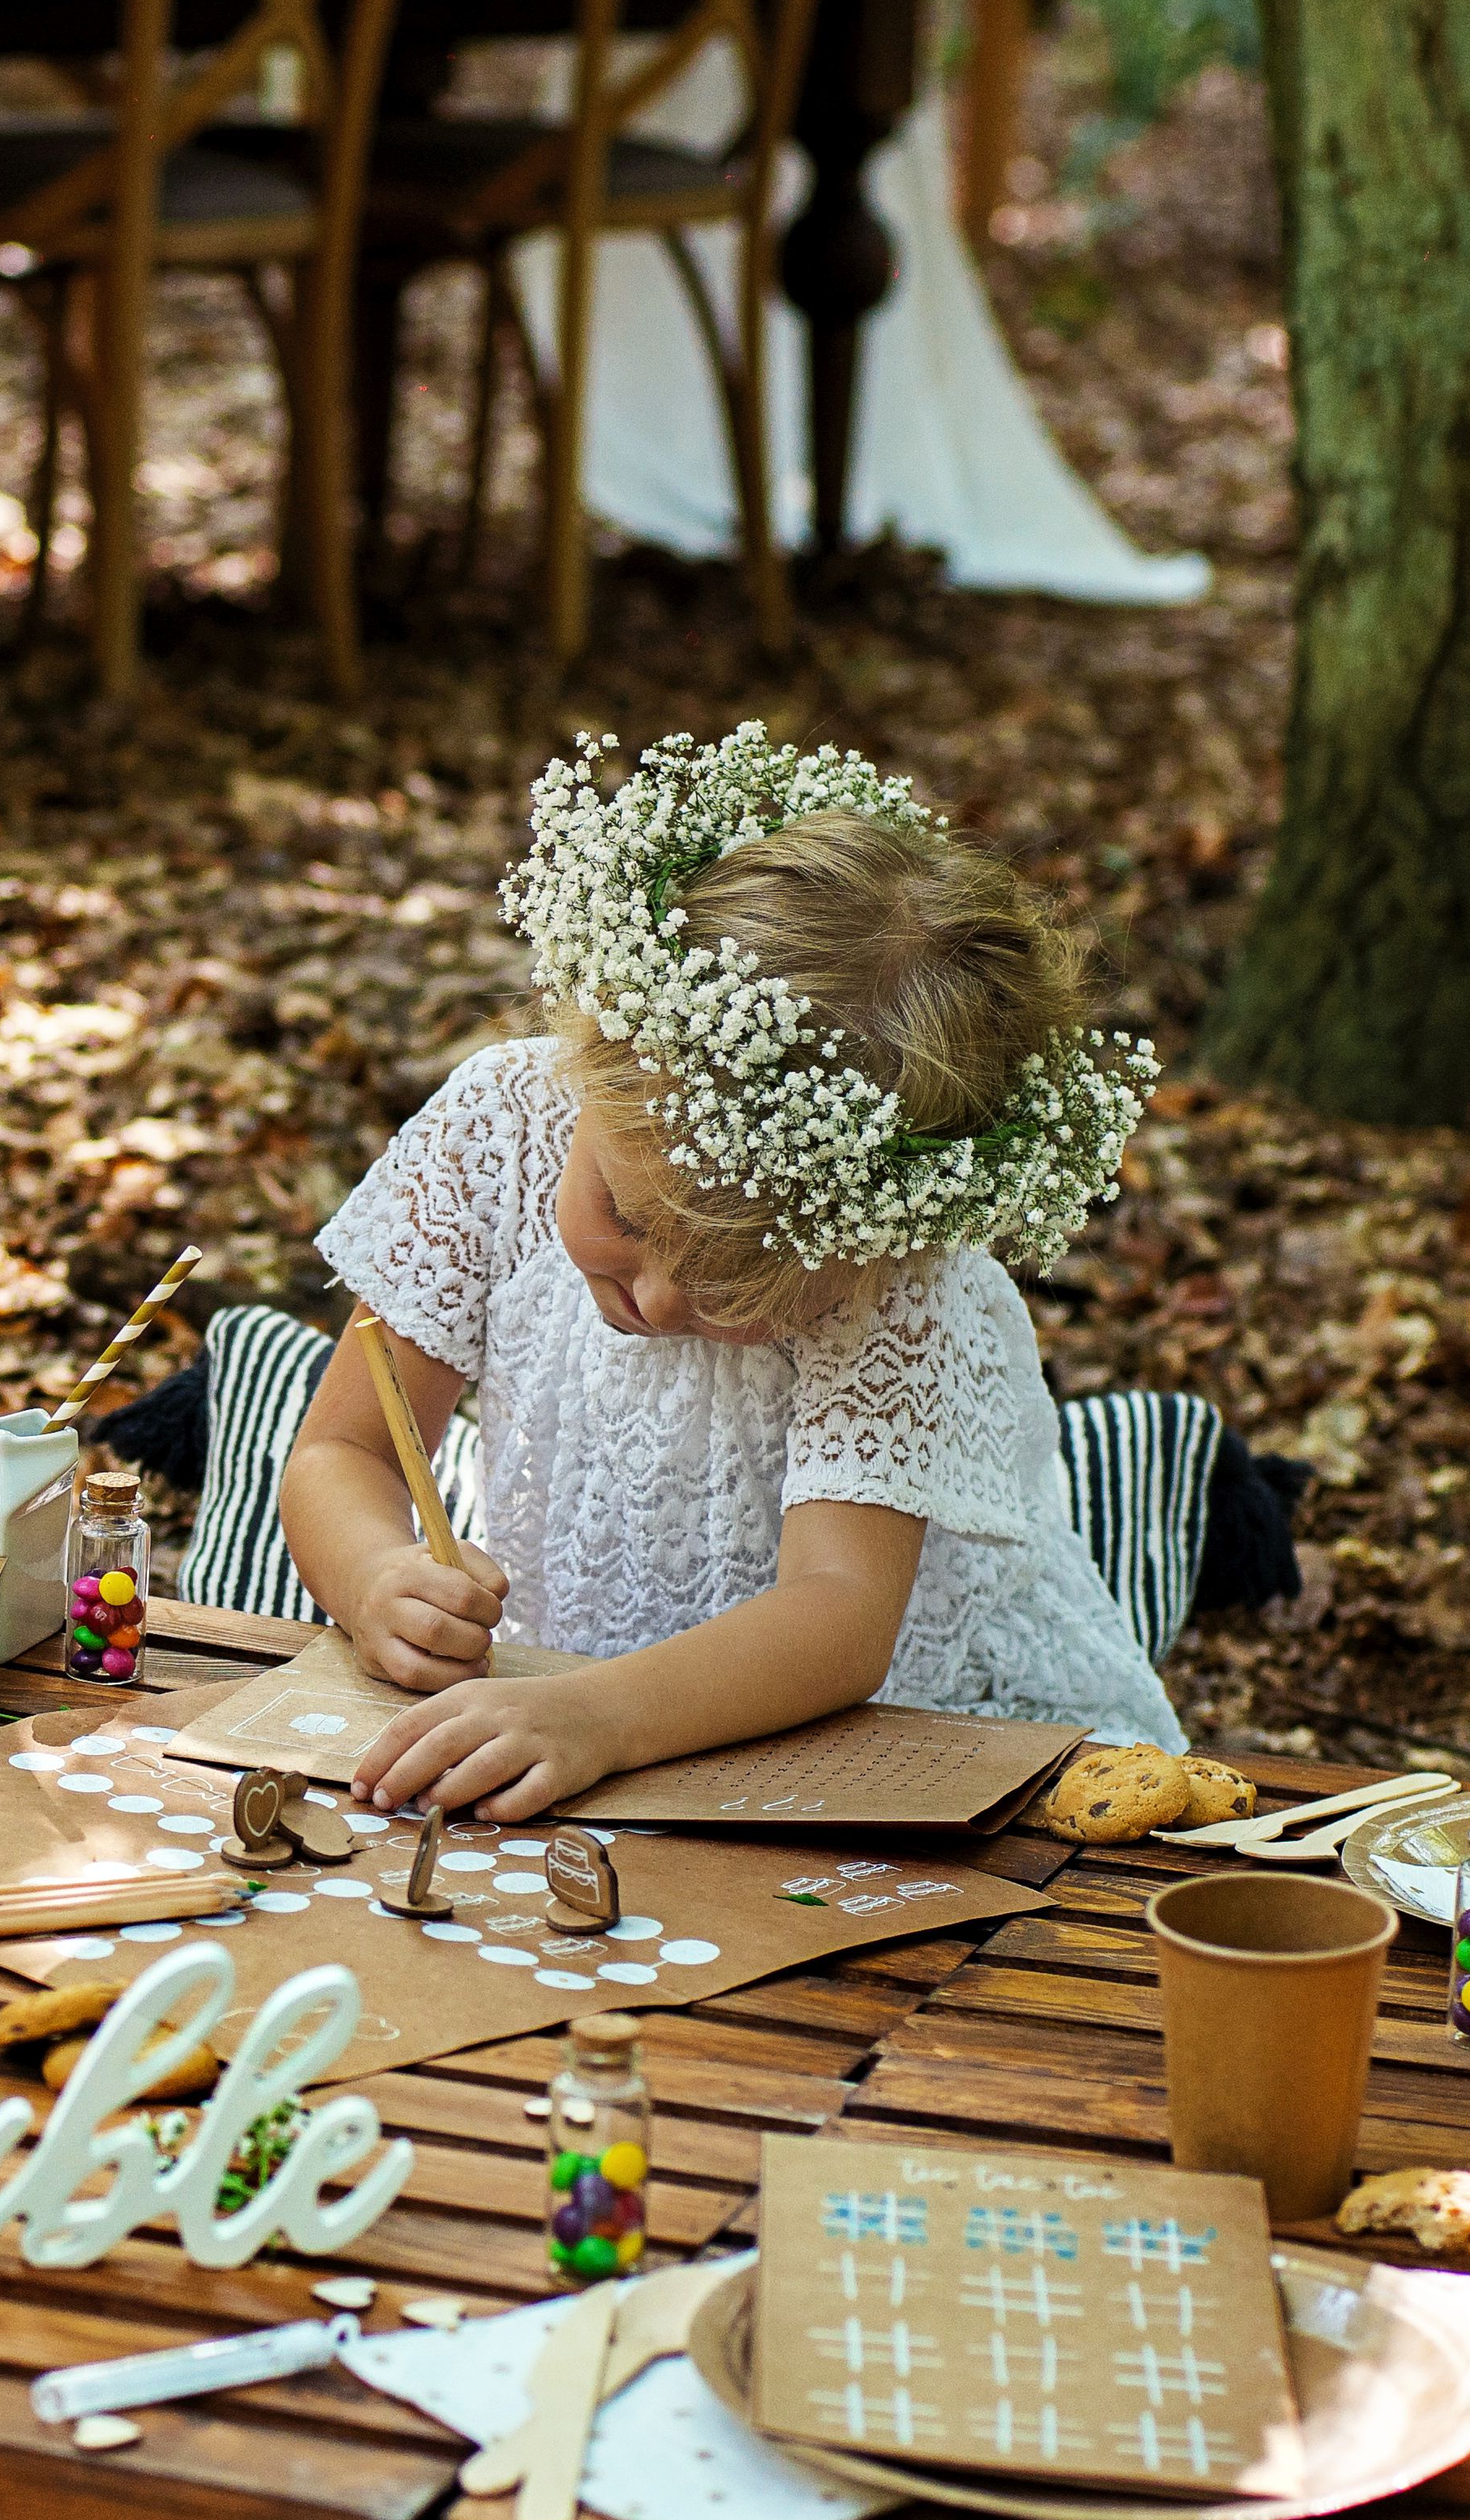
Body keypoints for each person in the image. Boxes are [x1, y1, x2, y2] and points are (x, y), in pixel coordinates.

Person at [284, 725, 1182, 1817]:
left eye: (745, 1289)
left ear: (883, 1237)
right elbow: (344, 1448)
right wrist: (375, 1575)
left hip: (915, 1764)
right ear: (591, 1046)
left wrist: (599, 1719)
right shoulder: (497, 1126)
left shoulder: (900, 1286)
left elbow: (840, 1616)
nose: (656, 1299)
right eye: (626, 1214)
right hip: (590, 1735)